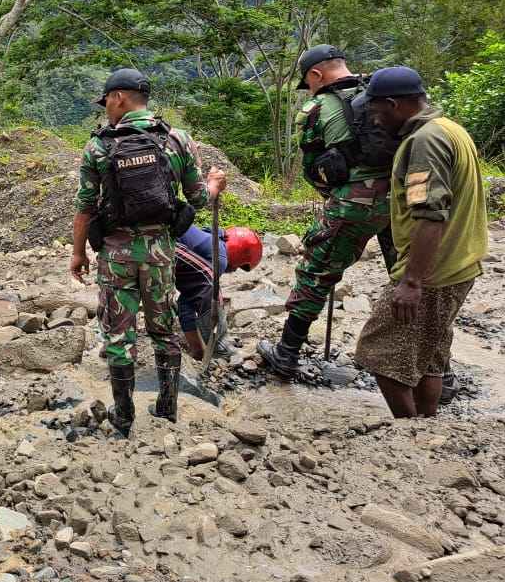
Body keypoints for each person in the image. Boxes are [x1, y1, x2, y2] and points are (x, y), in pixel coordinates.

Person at [71, 68, 225, 430]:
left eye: (106, 100)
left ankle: (123, 415)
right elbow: (199, 198)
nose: (105, 108)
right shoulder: (177, 139)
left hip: (116, 255)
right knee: (163, 329)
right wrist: (216, 185)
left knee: (118, 334)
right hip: (160, 253)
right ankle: (167, 406)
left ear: (119, 98)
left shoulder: (98, 145)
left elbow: (85, 208)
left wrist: (78, 253)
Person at [353, 67, 487, 418]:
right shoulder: (450, 129)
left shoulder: (424, 143)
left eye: (377, 112)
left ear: (395, 105)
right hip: (459, 263)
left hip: (433, 271)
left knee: (378, 352)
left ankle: (408, 430)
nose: (377, 122)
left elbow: (430, 214)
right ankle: (428, 428)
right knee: (431, 354)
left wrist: (412, 282)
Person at [259, 45, 394, 378]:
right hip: (401, 199)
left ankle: (286, 354)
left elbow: (312, 167)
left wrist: (336, 195)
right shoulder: (382, 94)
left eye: (309, 81)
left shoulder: (317, 106)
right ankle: (437, 371)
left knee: (316, 273)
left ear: (316, 74)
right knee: (407, 279)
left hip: (353, 202)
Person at [176, 224, 263, 360]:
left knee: (203, 291)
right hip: (162, 244)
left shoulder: (210, 241)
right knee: (213, 291)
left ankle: (199, 349)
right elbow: (207, 295)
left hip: (151, 242)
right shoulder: (219, 257)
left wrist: (197, 349)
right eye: (240, 266)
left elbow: (187, 301)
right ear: (240, 252)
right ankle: (220, 346)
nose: (234, 270)